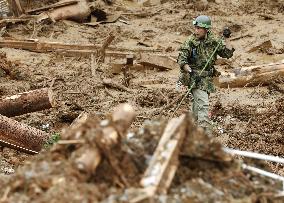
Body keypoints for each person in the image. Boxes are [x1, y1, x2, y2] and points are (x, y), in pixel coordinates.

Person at [177, 15, 235, 135]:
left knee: (196, 107)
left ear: (206, 29)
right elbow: (182, 60)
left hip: (207, 79)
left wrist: (227, 38)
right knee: (203, 104)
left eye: (199, 28)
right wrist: (190, 71)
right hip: (194, 78)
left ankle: (189, 130)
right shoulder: (190, 41)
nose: (196, 31)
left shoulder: (213, 40)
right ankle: (205, 135)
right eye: (195, 28)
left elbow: (228, 54)